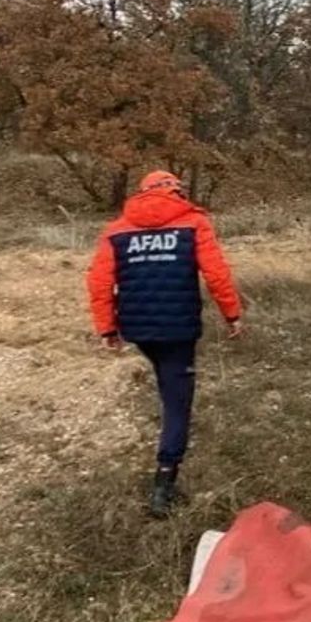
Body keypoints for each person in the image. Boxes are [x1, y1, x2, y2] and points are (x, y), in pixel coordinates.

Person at [86, 170, 243, 517]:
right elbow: (216, 273)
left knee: (166, 382)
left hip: (138, 331)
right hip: (178, 331)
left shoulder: (116, 230)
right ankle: (164, 485)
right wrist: (232, 314)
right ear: (175, 191)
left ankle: (167, 458)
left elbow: (99, 283)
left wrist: (107, 329)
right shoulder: (193, 223)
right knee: (176, 403)